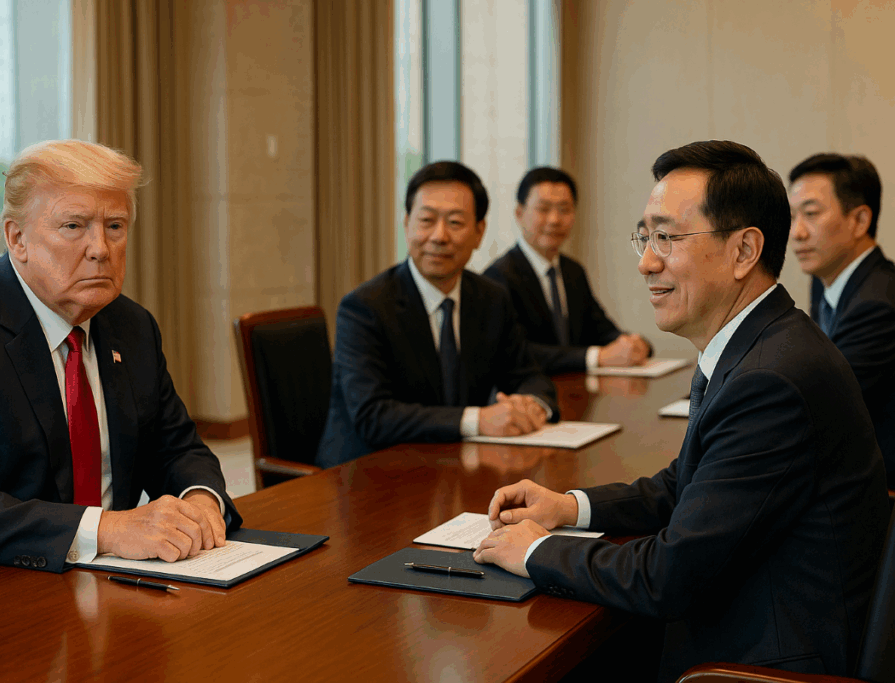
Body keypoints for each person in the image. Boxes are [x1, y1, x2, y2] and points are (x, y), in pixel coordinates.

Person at [473, 141, 888, 681]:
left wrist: (539, 551)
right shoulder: (761, 341)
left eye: (666, 237)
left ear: (743, 251)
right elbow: (686, 486)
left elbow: (668, 576)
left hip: (764, 660)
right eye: (644, 237)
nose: (646, 262)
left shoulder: (771, 377)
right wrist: (568, 507)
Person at [0, 140, 242, 591]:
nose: (100, 249)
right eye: (74, 226)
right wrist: (108, 529)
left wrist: (200, 500)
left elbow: (176, 448)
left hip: (97, 585)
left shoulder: (131, 326)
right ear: (17, 238)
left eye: (115, 226)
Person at [316, 161, 560, 468]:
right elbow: (374, 416)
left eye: (455, 223)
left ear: (479, 232)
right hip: (370, 473)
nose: (439, 236)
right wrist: (479, 419)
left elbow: (529, 376)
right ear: (407, 224)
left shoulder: (491, 298)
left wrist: (532, 406)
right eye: (426, 220)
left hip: (453, 466)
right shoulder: (365, 307)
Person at [788, 153, 895, 487]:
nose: (796, 233)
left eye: (811, 214)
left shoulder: (877, 303)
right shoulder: (827, 283)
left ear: (859, 221)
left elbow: (823, 406)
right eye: (792, 217)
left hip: (874, 487)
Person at [484, 167, 651, 374]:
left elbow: (601, 329)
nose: (555, 220)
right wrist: (597, 357)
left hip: (577, 392)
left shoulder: (572, 271)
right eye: (543, 209)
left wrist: (634, 344)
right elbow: (517, 351)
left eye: (564, 209)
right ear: (519, 213)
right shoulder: (498, 276)